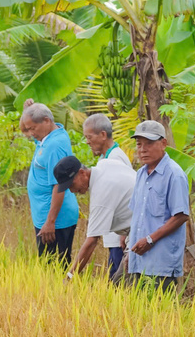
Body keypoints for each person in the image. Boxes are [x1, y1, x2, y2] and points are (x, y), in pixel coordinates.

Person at [125, 120, 190, 289]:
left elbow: (181, 216)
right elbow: (138, 214)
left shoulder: (174, 175)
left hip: (161, 263)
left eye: (149, 143)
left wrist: (149, 240)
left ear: (163, 144)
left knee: (160, 312)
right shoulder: (140, 174)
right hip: (138, 259)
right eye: (139, 144)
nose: (142, 149)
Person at [53, 155, 135, 282]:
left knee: (122, 287)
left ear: (82, 173)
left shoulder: (100, 194)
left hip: (147, 232)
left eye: (71, 184)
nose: (72, 190)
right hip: (138, 228)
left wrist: (70, 277)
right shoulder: (105, 164)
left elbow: (91, 241)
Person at [21, 103, 80, 265]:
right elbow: (23, 130)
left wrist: (50, 222)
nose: (30, 133)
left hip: (56, 220)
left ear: (46, 120)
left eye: (33, 128)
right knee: (48, 267)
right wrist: (25, 111)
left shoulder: (55, 145)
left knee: (55, 267)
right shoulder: (46, 137)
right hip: (45, 216)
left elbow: (59, 185)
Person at [83, 113, 133, 278]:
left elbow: (130, 195)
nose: (87, 142)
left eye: (89, 137)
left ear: (103, 135)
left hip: (121, 236)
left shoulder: (116, 157)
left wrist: (124, 235)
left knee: (119, 279)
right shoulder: (105, 158)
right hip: (116, 234)